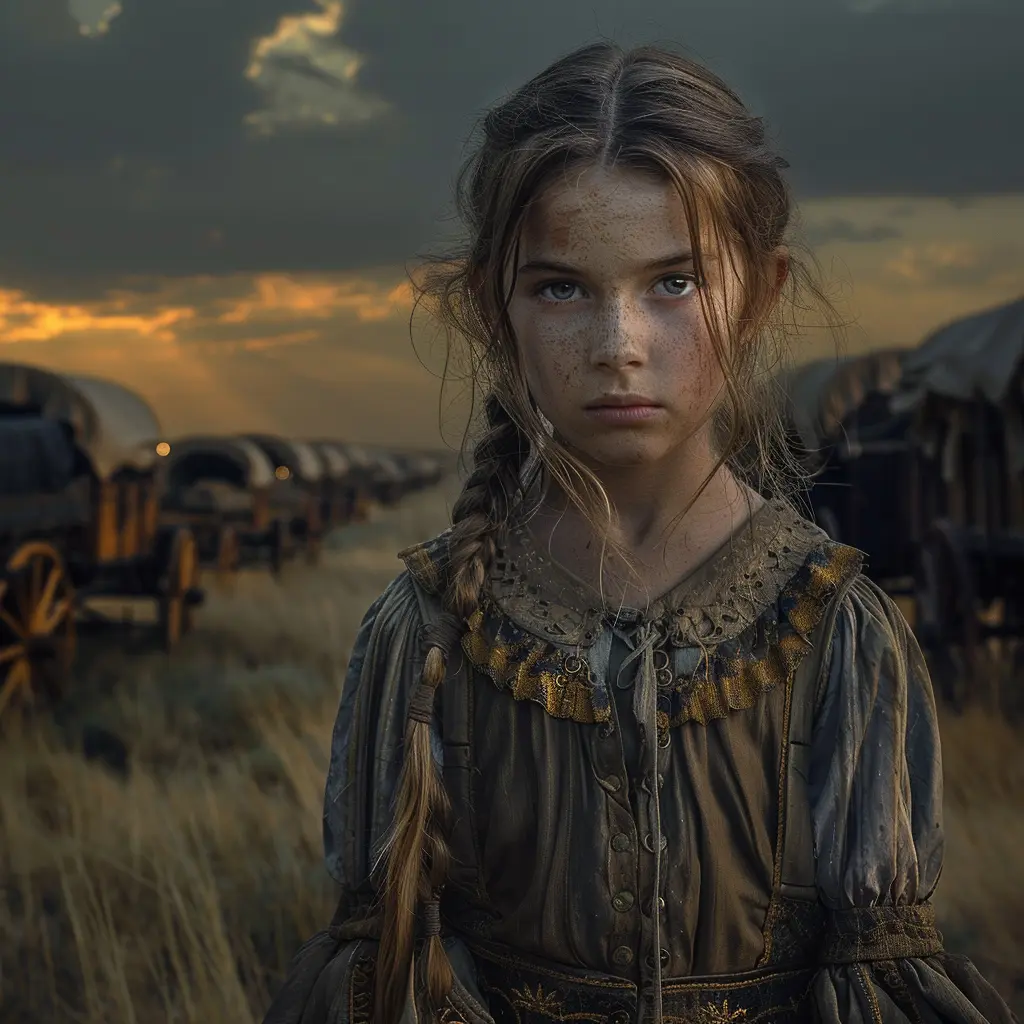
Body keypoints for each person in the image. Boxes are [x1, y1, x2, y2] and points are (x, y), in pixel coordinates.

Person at [263, 41, 1016, 1024]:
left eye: (673, 284)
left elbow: (873, 973)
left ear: (762, 294)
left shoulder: (836, 631)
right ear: (495, 307)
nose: (618, 344)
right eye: (562, 287)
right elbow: (390, 967)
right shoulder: (426, 627)